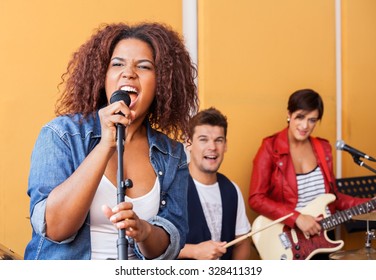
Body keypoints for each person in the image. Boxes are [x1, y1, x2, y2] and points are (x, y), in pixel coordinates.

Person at [24, 22, 199, 260]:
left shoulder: (172, 154)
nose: (128, 73)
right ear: (102, 76)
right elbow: (54, 229)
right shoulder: (61, 135)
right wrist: (106, 145)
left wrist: (144, 231)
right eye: (117, 64)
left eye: (144, 66)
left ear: (163, 83)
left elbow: (171, 242)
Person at [248, 88, 371, 260]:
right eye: (300, 117)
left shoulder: (323, 149)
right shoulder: (270, 148)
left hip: (323, 239)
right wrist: (296, 218)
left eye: (312, 120)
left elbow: (333, 197)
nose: (305, 126)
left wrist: (370, 204)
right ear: (289, 114)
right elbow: (256, 198)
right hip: (290, 242)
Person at [178, 107, 251, 260]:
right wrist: (194, 251)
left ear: (225, 145)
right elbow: (152, 247)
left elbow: (242, 242)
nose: (212, 147)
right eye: (203, 139)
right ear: (188, 143)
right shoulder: (171, 186)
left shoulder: (232, 190)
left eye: (219, 140)